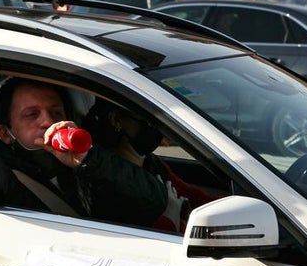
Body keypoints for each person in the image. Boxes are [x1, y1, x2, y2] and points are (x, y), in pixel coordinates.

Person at [0, 25, 168, 226]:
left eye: (56, 112)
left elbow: (153, 203)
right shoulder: (2, 176)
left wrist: (88, 161)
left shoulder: (85, 164)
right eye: (31, 115)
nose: (48, 121)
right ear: (5, 133)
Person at [80, 99, 219, 233]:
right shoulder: (109, 178)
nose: (156, 127)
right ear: (116, 119)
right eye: (147, 118)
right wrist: (171, 215)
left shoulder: (151, 163)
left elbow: (192, 195)